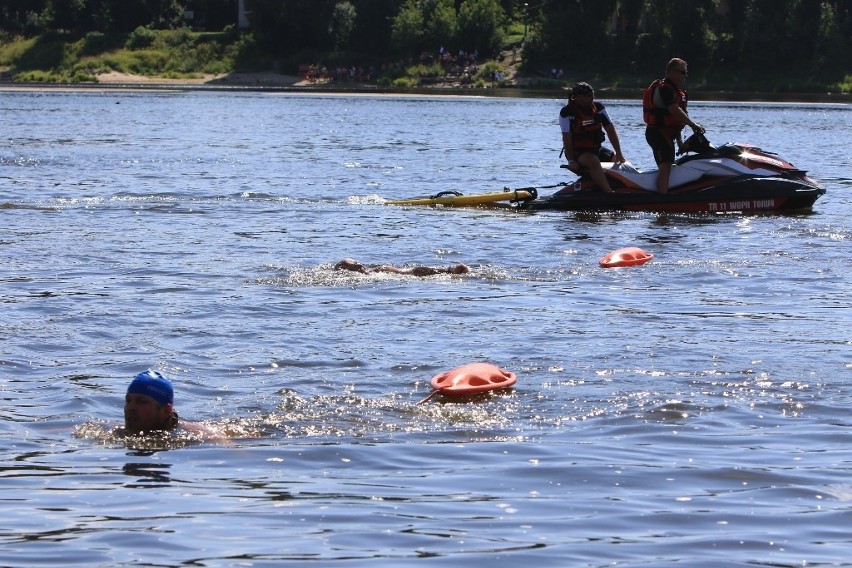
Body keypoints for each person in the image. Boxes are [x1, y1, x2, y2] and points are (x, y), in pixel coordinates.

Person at [642, 57, 704, 193]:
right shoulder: (665, 89)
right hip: (657, 133)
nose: (685, 76)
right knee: (665, 166)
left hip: (667, 133)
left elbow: (676, 123)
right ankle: (662, 200)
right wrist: (693, 125)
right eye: (682, 72)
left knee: (669, 165)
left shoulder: (679, 92)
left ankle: (671, 192)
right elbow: (674, 110)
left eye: (686, 73)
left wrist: (680, 142)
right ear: (671, 72)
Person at [559, 82, 626, 194]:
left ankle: (626, 188)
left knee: (618, 161)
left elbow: (610, 130)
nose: (593, 98)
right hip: (577, 153)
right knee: (593, 161)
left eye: (593, 95)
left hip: (595, 149)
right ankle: (610, 193)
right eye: (589, 96)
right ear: (579, 97)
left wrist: (619, 153)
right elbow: (566, 138)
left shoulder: (598, 108)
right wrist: (571, 161)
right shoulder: (567, 112)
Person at [123, 370, 219, 438]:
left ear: (166, 410)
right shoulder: (116, 432)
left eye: (142, 402)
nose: (131, 407)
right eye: (128, 401)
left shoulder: (199, 435)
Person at [334, 258, 470, 277]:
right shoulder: (368, 273)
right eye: (354, 264)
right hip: (398, 272)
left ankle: (450, 270)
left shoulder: (369, 271)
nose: (358, 264)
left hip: (396, 271)